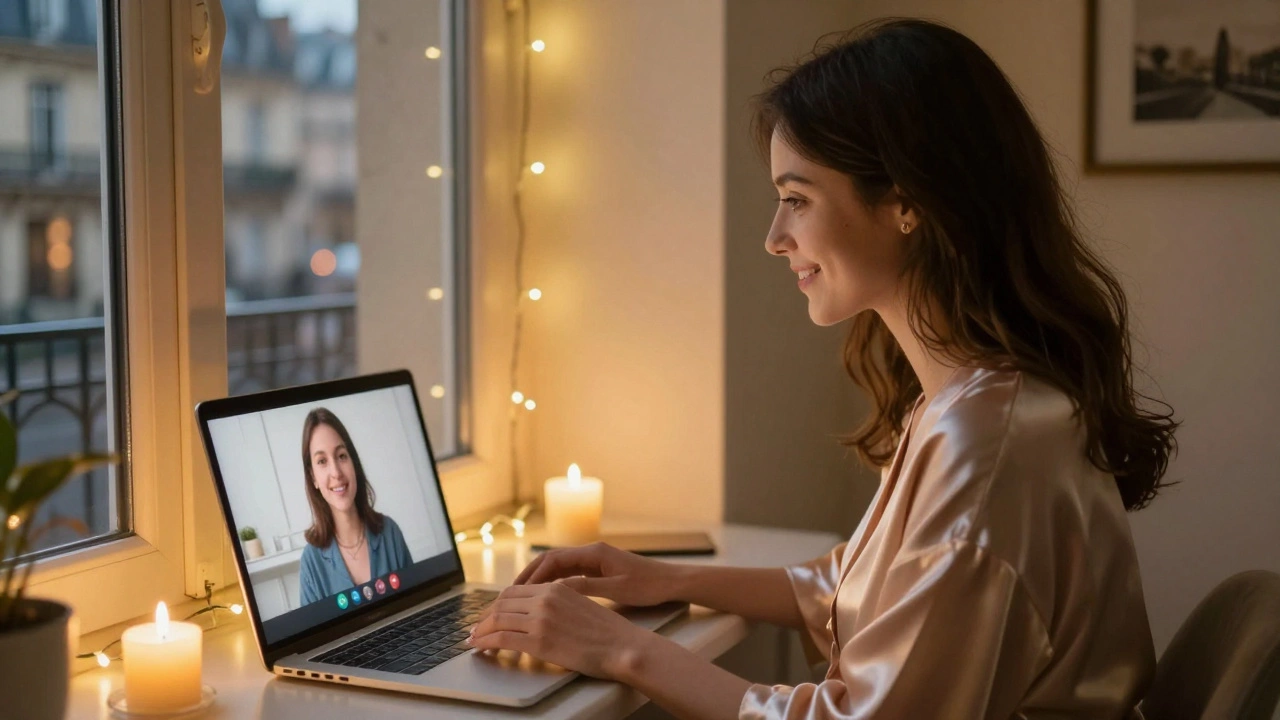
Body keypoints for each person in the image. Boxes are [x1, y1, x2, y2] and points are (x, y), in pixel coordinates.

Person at [468, 18, 1178, 720]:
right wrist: (665, 577)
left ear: (906, 202)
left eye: (797, 200)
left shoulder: (985, 443)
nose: (776, 239)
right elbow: (862, 585)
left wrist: (622, 651)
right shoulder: (976, 403)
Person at [298, 407, 413, 605]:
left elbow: (417, 605)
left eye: (341, 456)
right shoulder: (311, 562)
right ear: (313, 477)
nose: (336, 472)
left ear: (353, 463)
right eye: (322, 461)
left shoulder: (390, 532)